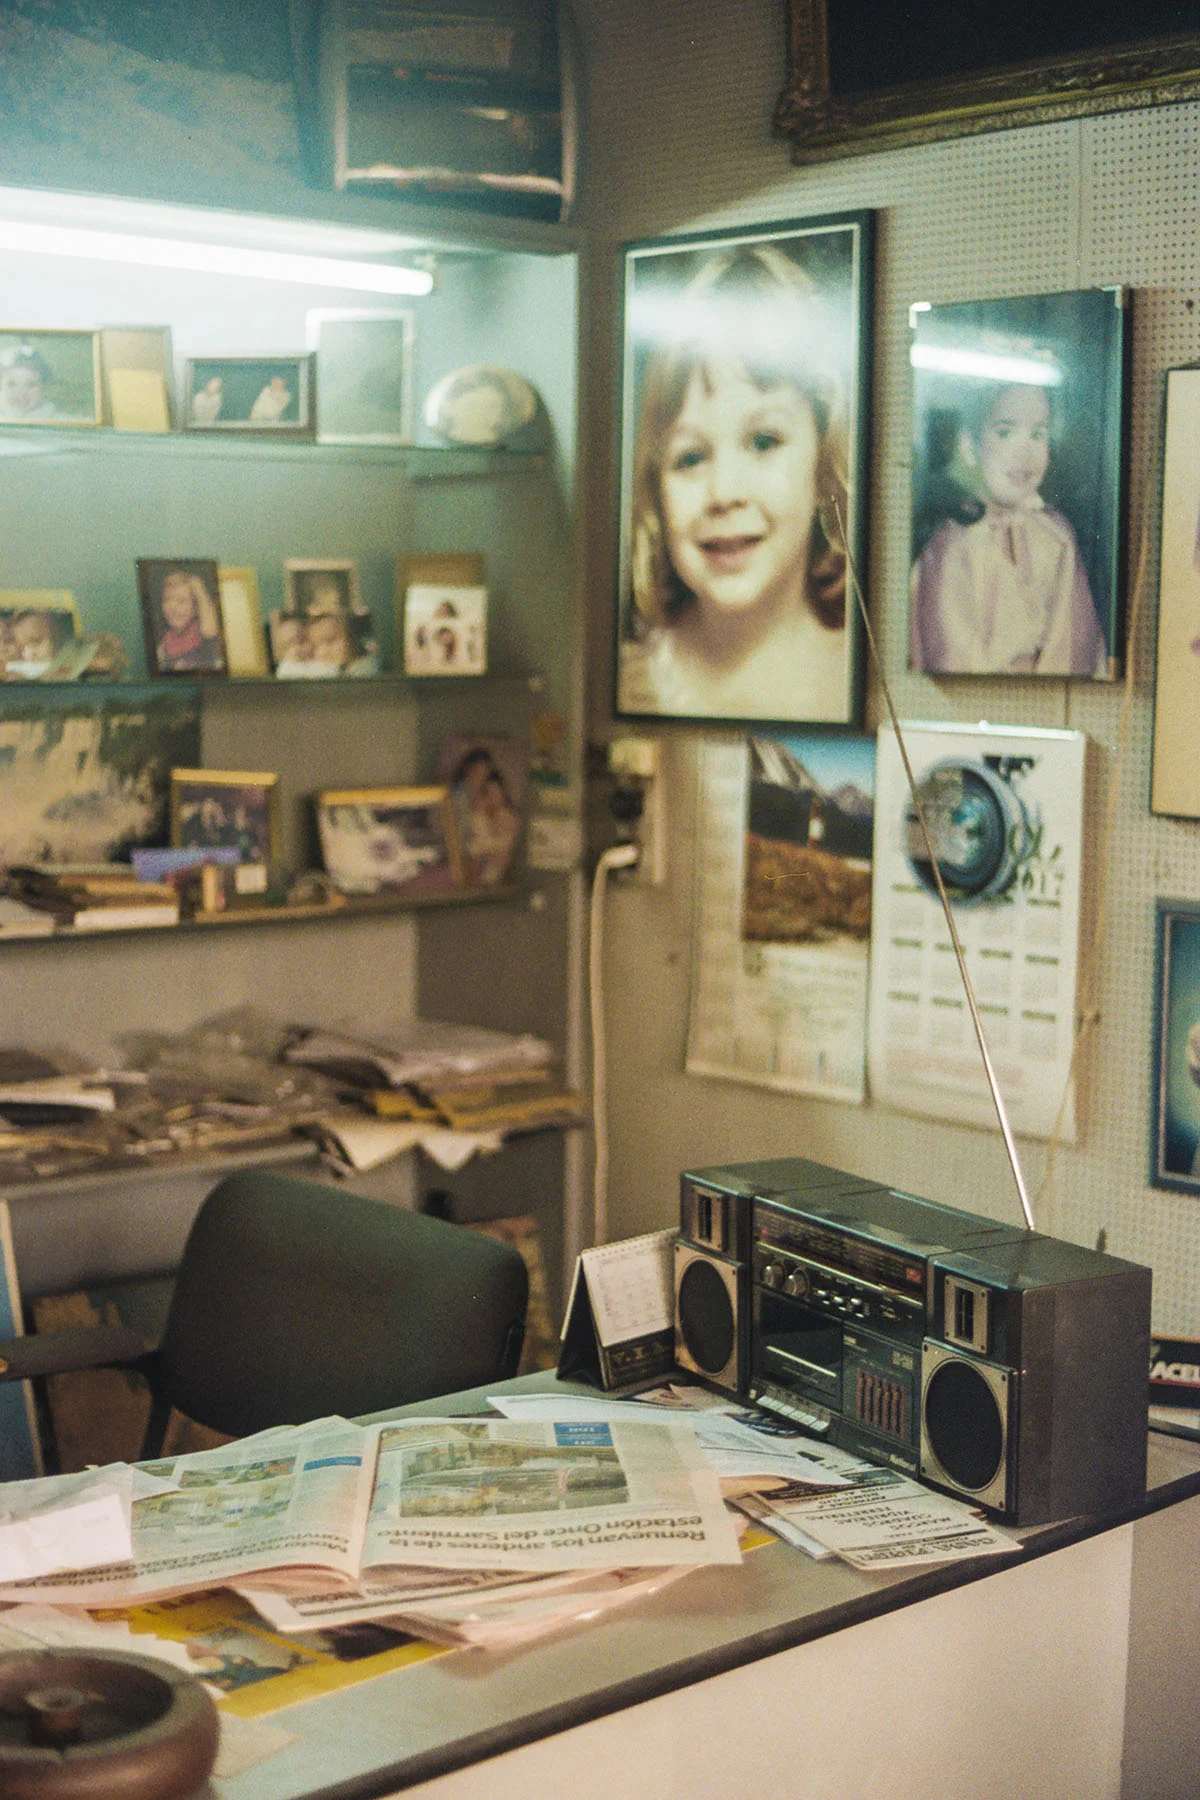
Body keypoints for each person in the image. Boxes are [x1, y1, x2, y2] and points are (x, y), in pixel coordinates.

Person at [618, 242, 851, 722]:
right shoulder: (627, 681)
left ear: (822, 461)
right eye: (690, 457)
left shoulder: (860, 680)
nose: (724, 492)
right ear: (655, 490)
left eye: (763, 442)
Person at [910, 376, 1108, 676]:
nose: (1024, 452)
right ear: (969, 444)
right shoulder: (952, 544)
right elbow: (951, 653)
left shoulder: (1056, 537)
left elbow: (1073, 643)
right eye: (1004, 433)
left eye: (1038, 435)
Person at [155, 567, 224, 671]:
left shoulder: (202, 630)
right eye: (167, 600)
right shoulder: (166, 641)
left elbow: (210, 628)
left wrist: (198, 590)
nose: (172, 607)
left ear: (196, 609)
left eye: (181, 601)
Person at [0, 344, 56, 420]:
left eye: (30, 385)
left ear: (43, 387)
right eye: (12, 384)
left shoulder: (54, 418)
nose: (20, 393)